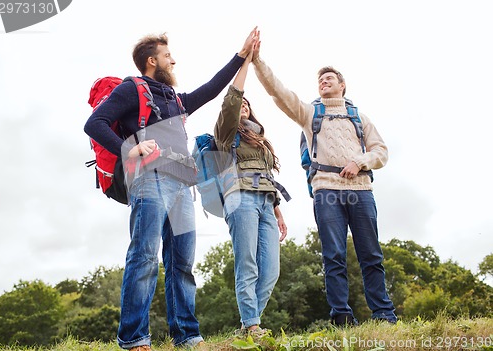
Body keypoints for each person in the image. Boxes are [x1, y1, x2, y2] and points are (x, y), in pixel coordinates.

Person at [84, 27, 259, 350]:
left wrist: (241, 55)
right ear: (152, 61)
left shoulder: (176, 100)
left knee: (182, 263)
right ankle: (135, 338)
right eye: (167, 56)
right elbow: (94, 123)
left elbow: (211, 88)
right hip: (150, 179)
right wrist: (128, 148)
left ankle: (187, 336)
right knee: (145, 256)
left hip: (181, 183)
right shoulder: (131, 89)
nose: (173, 61)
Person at [251, 36, 397, 326]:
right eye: (320, 80)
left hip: (361, 190)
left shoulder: (359, 117)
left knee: (371, 254)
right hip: (326, 190)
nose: (323, 82)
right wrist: (257, 61)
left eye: (329, 78)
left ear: (342, 85)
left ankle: (383, 314)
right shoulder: (310, 113)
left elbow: (381, 151)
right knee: (333, 256)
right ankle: (341, 316)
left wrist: (361, 161)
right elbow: (279, 93)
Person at [213, 39, 288, 336]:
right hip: (239, 199)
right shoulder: (226, 132)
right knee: (248, 265)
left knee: (270, 271)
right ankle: (253, 326)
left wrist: (279, 211)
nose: (243, 104)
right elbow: (232, 98)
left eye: (247, 103)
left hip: (266, 203)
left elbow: (267, 175)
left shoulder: (260, 139)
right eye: (240, 103)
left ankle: (246, 326)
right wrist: (246, 62)